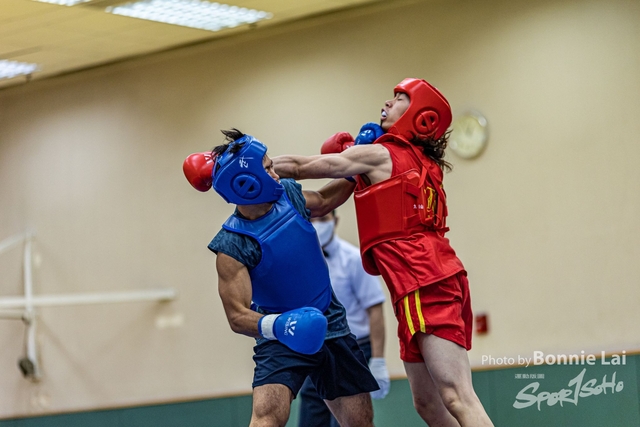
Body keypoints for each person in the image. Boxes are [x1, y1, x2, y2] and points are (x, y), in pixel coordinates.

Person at [272, 78, 495, 427]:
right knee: (428, 405)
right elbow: (322, 203)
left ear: (421, 117)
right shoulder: (414, 161)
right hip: (422, 284)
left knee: (457, 396)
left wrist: (254, 164)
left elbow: (302, 167)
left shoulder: (382, 154)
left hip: (426, 282)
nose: (388, 103)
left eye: (400, 98)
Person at [182, 129, 379, 427]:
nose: (276, 173)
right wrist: (282, 326)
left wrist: (357, 164)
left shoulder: (289, 195)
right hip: (279, 336)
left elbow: (324, 200)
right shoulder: (232, 245)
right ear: (246, 182)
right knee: (266, 419)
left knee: (360, 423)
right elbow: (237, 317)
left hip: (332, 322)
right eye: (268, 168)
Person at [298, 210, 389, 427]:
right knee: (311, 420)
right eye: (311, 219)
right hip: (316, 350)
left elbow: (375, 310)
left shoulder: (354, 259)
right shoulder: (299, 263)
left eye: (323, 218)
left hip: (354, 348)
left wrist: (378, 360)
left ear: (335, 220)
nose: (317, 224)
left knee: (348, 421)